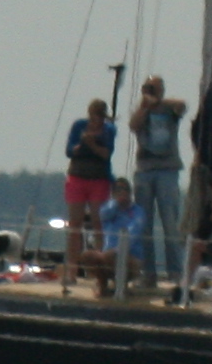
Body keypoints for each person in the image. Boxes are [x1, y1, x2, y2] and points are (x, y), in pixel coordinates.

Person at [128, 76, 187, 291]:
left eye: (155, 88)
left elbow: (182, 106)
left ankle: (176, 272)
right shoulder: (141, 112)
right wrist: (145, 105)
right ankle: (148, 273)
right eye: (149, 88)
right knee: (145, 224)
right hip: (145, 171)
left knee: (170, 222)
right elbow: (133, 126)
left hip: (168, 171)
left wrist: (159, 101)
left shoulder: (170, 110)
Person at [63, 98, 119, 264]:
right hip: (78, 176)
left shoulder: (109, 130)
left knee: (98, 223)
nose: (97, 121)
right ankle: (72, 266)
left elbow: (106, 153)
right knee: (75, 225)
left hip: (99, 179)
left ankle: (99, 264)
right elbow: (69, 150)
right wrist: (81, 144)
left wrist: (92, 144)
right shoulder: (79, 126)